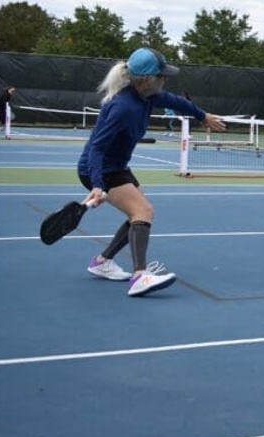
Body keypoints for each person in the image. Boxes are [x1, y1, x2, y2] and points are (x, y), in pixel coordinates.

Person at [77, 48, 226, 296]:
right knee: (142, 211)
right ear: (146, 79)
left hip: (117, 167)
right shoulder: (123, 107)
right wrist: (97, 183)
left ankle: (102, 262)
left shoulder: (149, 96)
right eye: (161, 76)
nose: (165, 80)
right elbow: (97, 148)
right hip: (101, 168)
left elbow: (177, 101)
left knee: (141, 212)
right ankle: (139, 276)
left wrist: (202, 116)